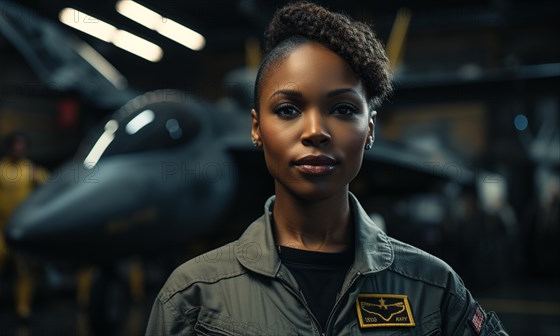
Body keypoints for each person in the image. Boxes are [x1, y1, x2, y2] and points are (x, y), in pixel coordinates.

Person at [146, 2, 508, 335]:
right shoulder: (191, 298)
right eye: (288, 109)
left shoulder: (433, 288)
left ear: (370, 130)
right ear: (256, 128)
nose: (315, 131)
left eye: (343, 109)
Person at [0, 131, 47, 322]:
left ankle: (23, 308)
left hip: (21, 229)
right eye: (15, 144)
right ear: (9, 147)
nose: (18, 148)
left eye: (22, 145)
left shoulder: (32, 171)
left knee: (25, 267)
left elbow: (48, 193)